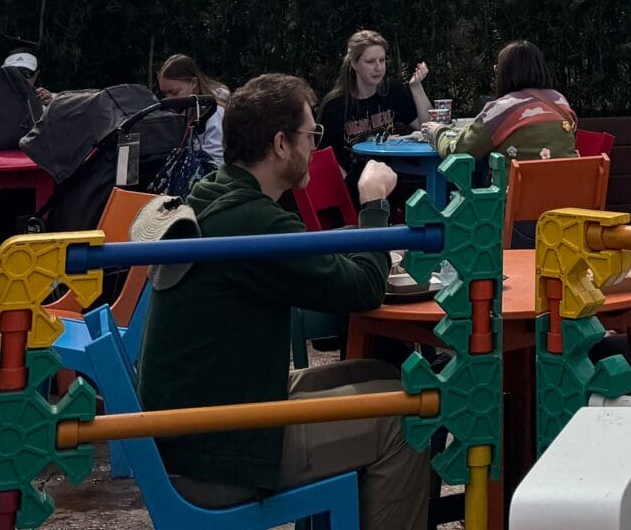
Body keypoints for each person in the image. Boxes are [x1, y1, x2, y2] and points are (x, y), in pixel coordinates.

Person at [140, 75, 427, 530]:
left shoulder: (218, 194)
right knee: (411, 416)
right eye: (311, 135)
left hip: (203, 420)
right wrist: (373, 206)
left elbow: (307, 257)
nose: (316, 145)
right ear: (279, 144)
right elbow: (362, 289)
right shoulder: (251, 220)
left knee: (380, 374)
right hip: (219, 455)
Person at [318, 31, 432, 186]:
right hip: (357, 184)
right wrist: (346, 192)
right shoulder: (335, 106)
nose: (378, 67)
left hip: (395, 175)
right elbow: (326, 159)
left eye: (382, 60)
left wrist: (417, 88)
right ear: (354, 64)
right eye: (370, 62)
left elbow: (428, 128)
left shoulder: (393, 90)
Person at [449, 41, 577, 163]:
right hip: (568, 185)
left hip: (516, 186)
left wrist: (437, 132)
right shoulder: (560, 101)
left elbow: (461, 151)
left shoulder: (502, 108)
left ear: (504, 73)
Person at [159, 52, 231, 180]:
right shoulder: (186, 110)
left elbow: (218, 164)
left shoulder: (215, 115)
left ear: (193, 83)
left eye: (174, 92)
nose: (169, 99)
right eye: (165, 94)